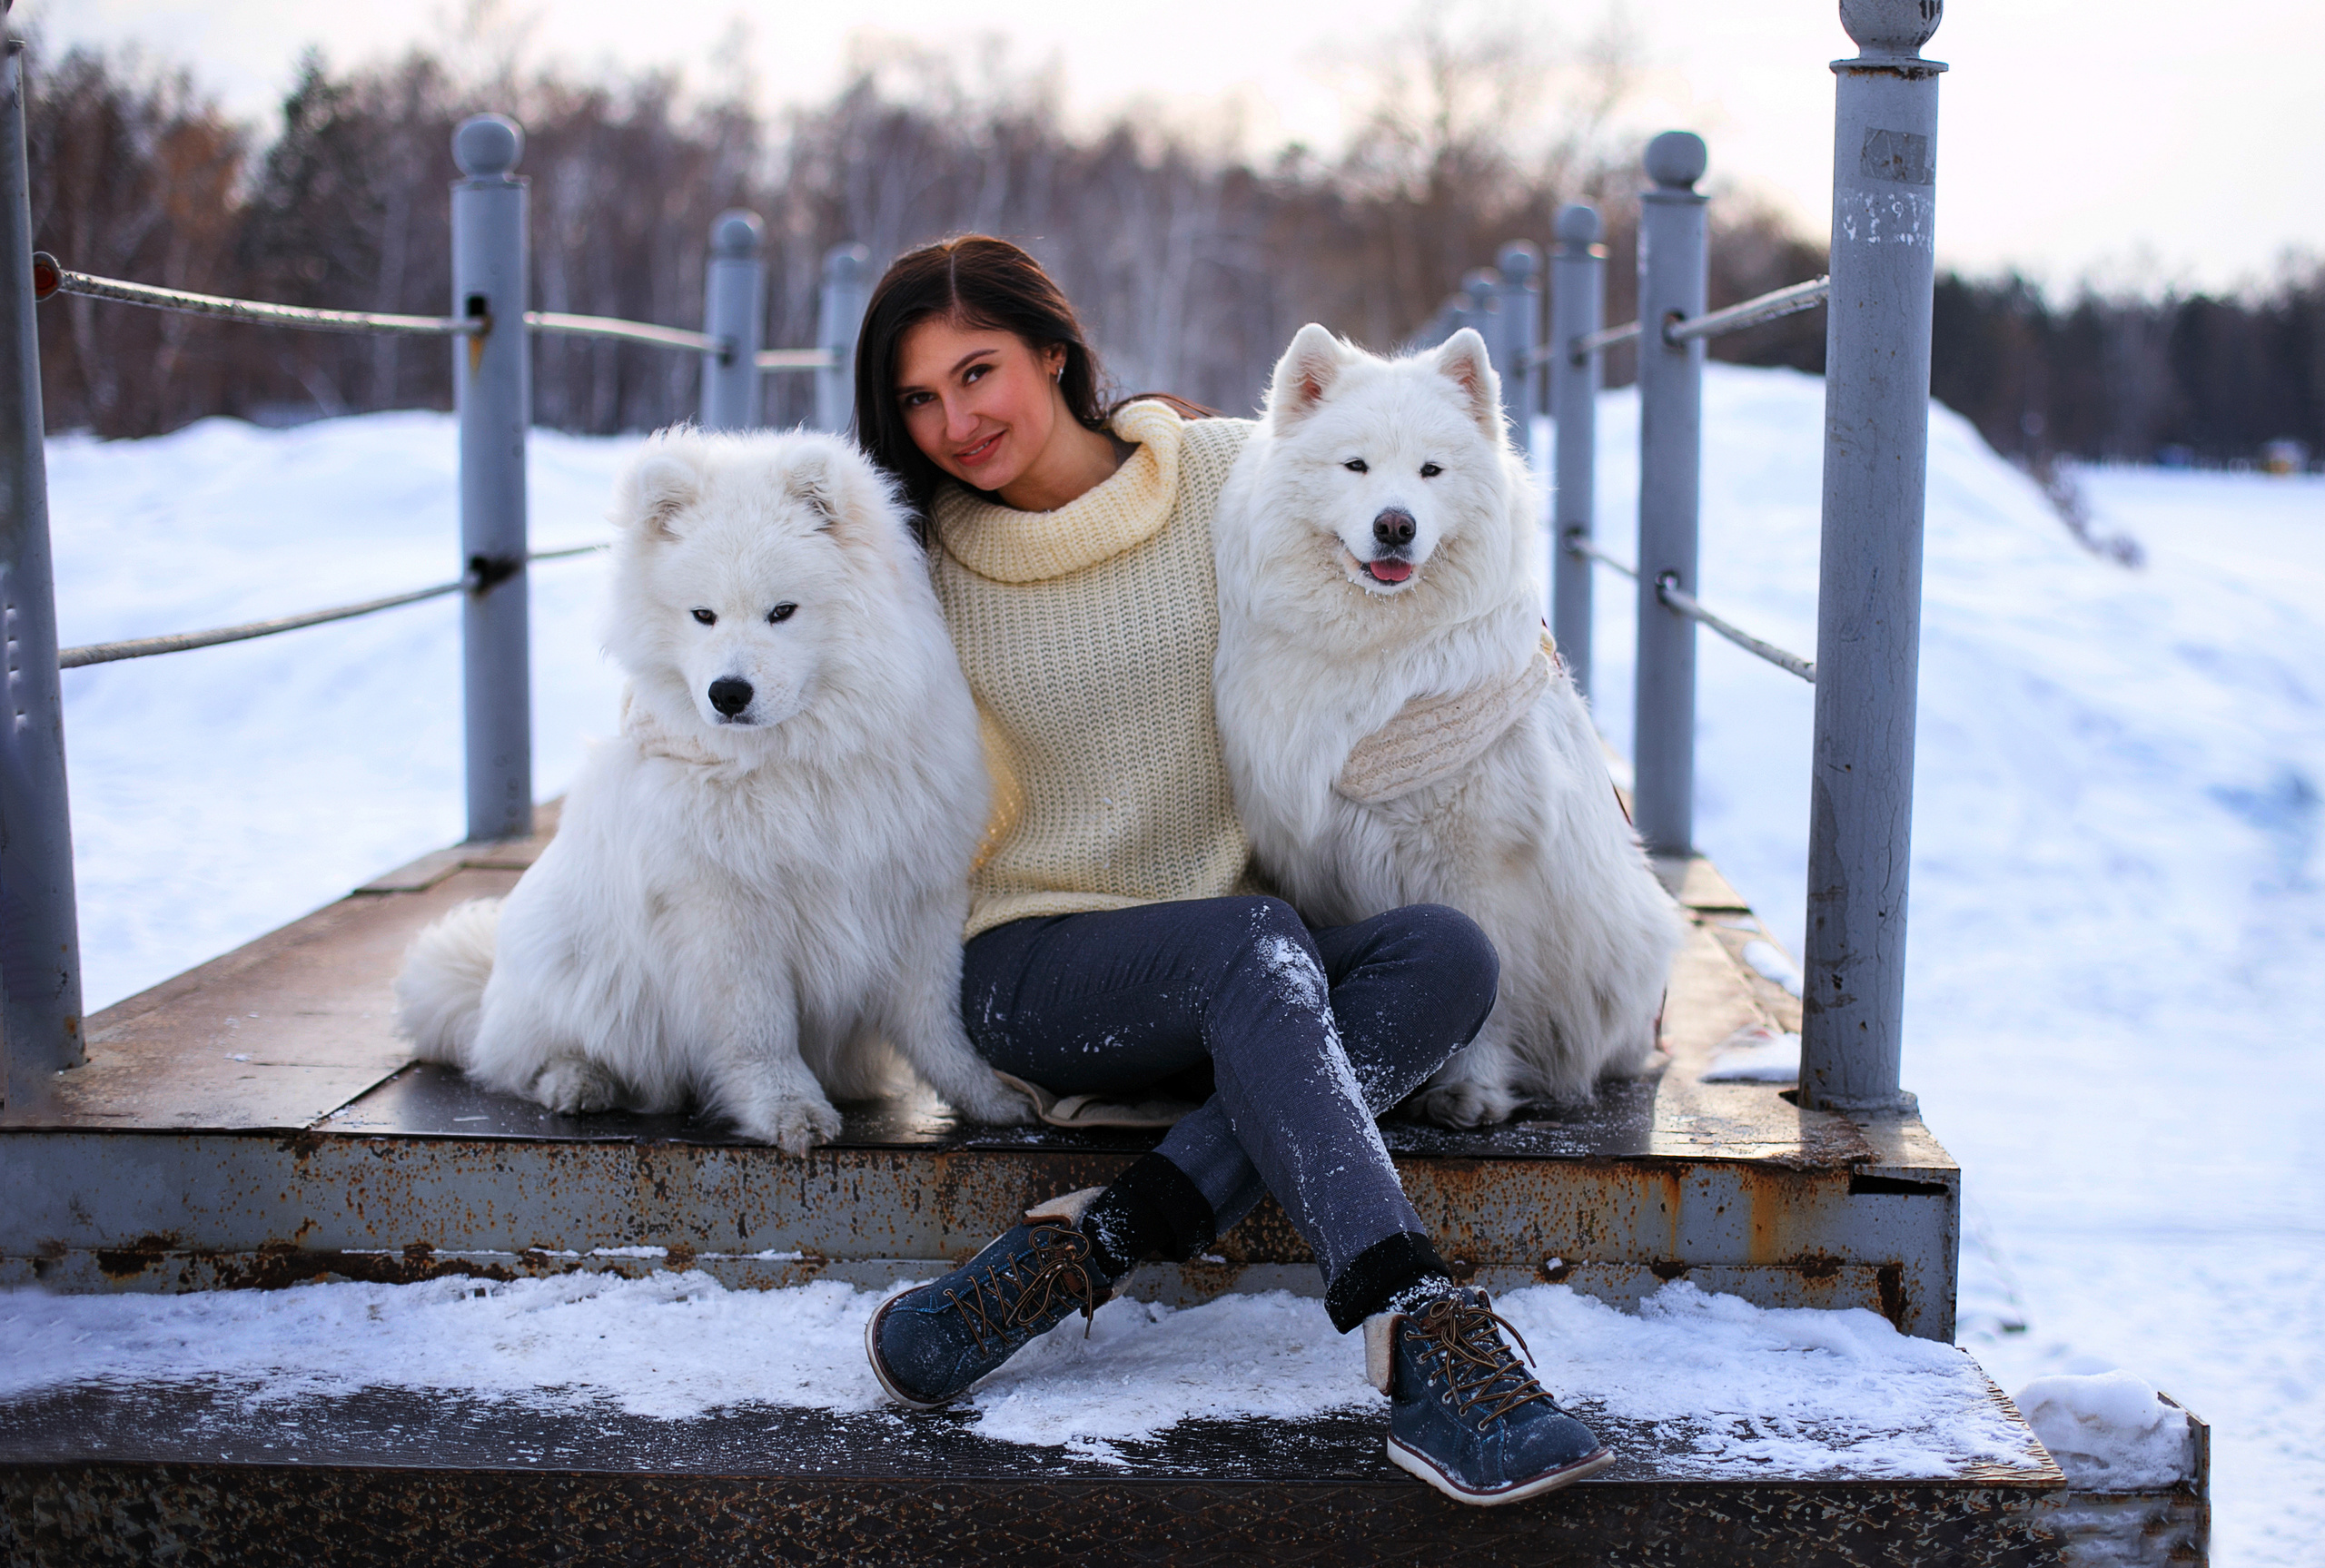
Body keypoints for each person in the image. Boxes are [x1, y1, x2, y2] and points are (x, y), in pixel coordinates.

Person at [851, 235, 1611, 1504]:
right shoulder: (919, 562)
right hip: (1044, 965)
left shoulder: (1224, 475)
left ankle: (1093, 1245)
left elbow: (1442, 601)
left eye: (978, 373)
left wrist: (1569, 774)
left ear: (1054, 352)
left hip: (1253, 971)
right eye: (920, 399)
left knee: (1449, 953)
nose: (954, 422)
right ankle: (1419, 1324)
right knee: (1255, 941)